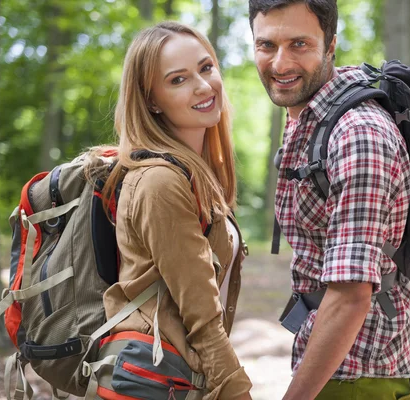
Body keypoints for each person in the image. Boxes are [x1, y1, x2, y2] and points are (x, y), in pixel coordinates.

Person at [249, 1, 410, 399]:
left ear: (331, 45)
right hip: (334, 369)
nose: (280, 63)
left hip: (359, 376)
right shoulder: (311, 118)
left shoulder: (357, 134)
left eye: (300, 44)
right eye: (267, 45)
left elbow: (351, 295)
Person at [94, 21, 252, 400]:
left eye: (206, 67)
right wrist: (238, 392)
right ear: (151, 100)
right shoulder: (160, 182)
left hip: (178, 381)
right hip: (151, 384)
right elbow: (203, 319)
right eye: (177, 80)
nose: (202, 86)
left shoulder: (195, 174)